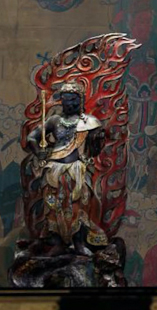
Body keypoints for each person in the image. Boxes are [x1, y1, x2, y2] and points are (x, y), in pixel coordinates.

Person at [25, 80, 107, 255]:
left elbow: (94, 150)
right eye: (65, 99)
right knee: (53, 206)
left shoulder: (89, 122)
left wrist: (97, 139)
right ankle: (58, 242)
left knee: (80, 205)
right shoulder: (54, 121)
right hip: (54, 169)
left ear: (80, 100)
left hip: (77, 169)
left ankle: (79, 242)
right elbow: (31, 137)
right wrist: (39, 152)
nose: (68, 103)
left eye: (73, 99)